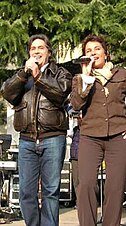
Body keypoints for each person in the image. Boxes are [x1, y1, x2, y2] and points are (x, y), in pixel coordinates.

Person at [70, 34, 126, 226]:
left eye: (96, 49)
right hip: (89, 136)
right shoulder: (79, 79)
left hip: (119, 136)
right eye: (88, 51)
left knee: (115, 187)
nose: (93, 53)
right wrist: (87, 79)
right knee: (86, 184)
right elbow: (76, 104)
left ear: (106, 53)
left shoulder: (122, 74)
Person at [1, 34, 72, 226]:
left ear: (49, 52)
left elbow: (60, 94)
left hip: (53, 138)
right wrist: (24, 74)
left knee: (51, 190)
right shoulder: (22, 75)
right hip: (26, 140)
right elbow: (7, 93)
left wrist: (39, 77)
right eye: (33, 49)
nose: (37, 52)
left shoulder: (60, 73)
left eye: (41, 48)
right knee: (26, 191)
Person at [68, 113, 81, 204]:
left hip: (86, 156)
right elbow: (69, 133)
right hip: (75, 156)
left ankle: (86, 201)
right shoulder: (74, 129)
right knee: (76, 181)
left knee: (86, 181)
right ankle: (79, 201)